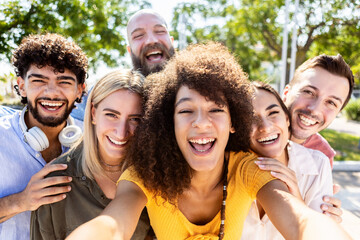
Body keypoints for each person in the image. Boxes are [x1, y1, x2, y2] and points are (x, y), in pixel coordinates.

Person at [67, 42, 350, 240]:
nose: (201, 122)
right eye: (186, 110)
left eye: (216, 109)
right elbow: (112, 224)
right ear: (169, 121)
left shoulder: (248, 169)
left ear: (234, 122)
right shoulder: (146, 175)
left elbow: (301, 220)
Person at [30, 69, 151, 239]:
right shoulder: (55, 182)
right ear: (93, 113)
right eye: (111, 115)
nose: (121, 132)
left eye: (135, 119)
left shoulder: (156, 178)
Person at [0, 33, 88, 239]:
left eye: (64, 82)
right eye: (39, 80)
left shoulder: (93, 140)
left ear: (80, 91)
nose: (51, 93)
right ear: (21, 86)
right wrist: (21, 201)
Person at [241, 81, 333, 240]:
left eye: (273, 113)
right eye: (250, 119)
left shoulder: (318, 165)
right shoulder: (229, 169)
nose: (265, 127)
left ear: (287, 119)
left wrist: (297, 201)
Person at [282, 54, 354, 221]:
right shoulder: (248, 132)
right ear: (286, 93)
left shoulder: (322, 156)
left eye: (331, 103)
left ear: (337, 112)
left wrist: (325, 220)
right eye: (308, 92)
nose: (314, 109)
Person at [70, 9, 175, 121]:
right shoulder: (101, 95)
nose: (151, 40)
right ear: (130, 51)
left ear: (172, 42)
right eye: (139, 35)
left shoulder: (193, 87)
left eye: (159, 31)